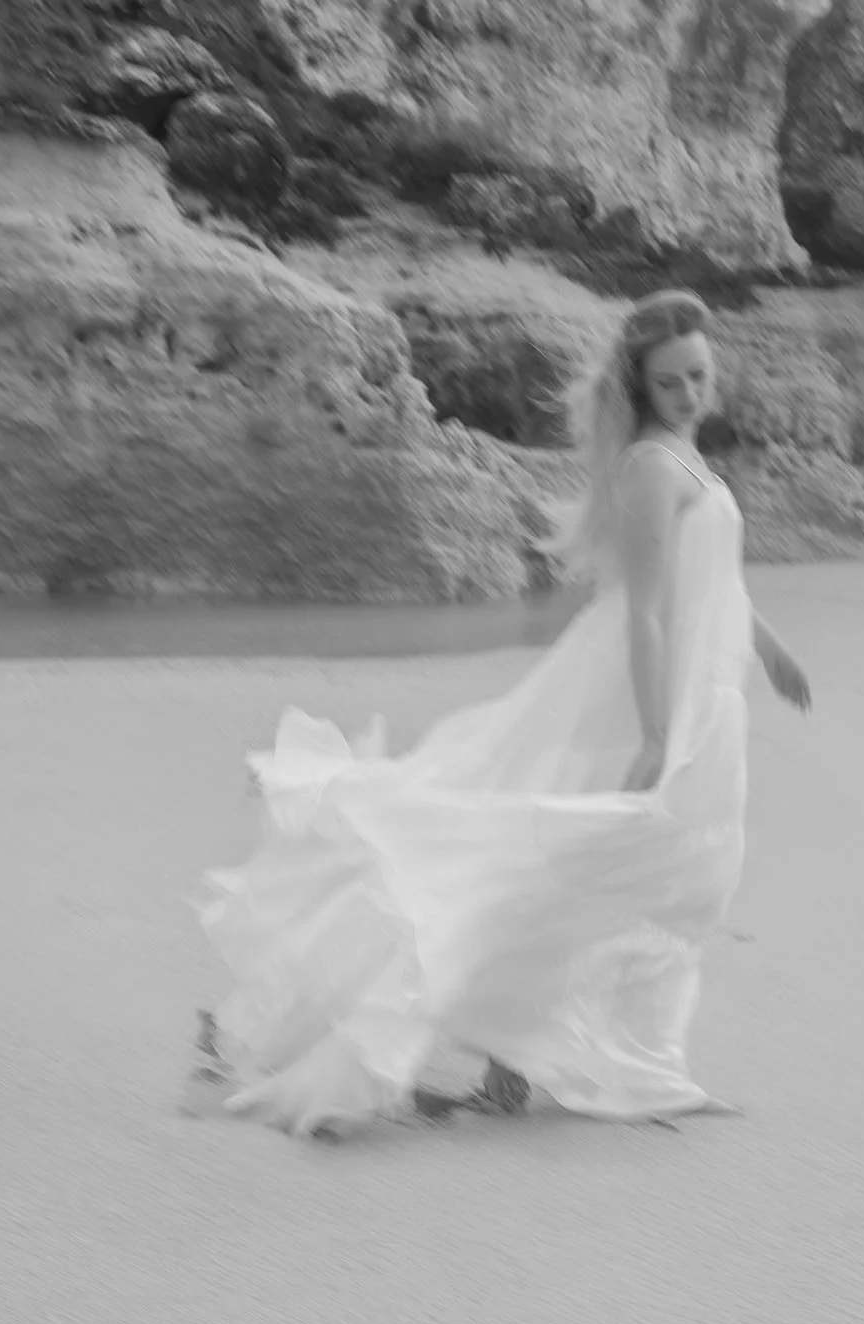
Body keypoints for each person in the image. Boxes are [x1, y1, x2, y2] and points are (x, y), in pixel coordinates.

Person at [192, 288, 811, 1139]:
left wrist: (769, 650)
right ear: (640, 388)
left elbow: (712, 584)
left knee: (658, 869)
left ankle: (561, 1061)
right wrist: (658, 731)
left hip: (707, 688)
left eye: (700, 376)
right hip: (641, 693)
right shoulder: (649, 469)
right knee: (579, 853)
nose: (691, 393)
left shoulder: (689, 462)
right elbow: (648, 610)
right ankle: (540, 1062)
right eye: (671, 383)